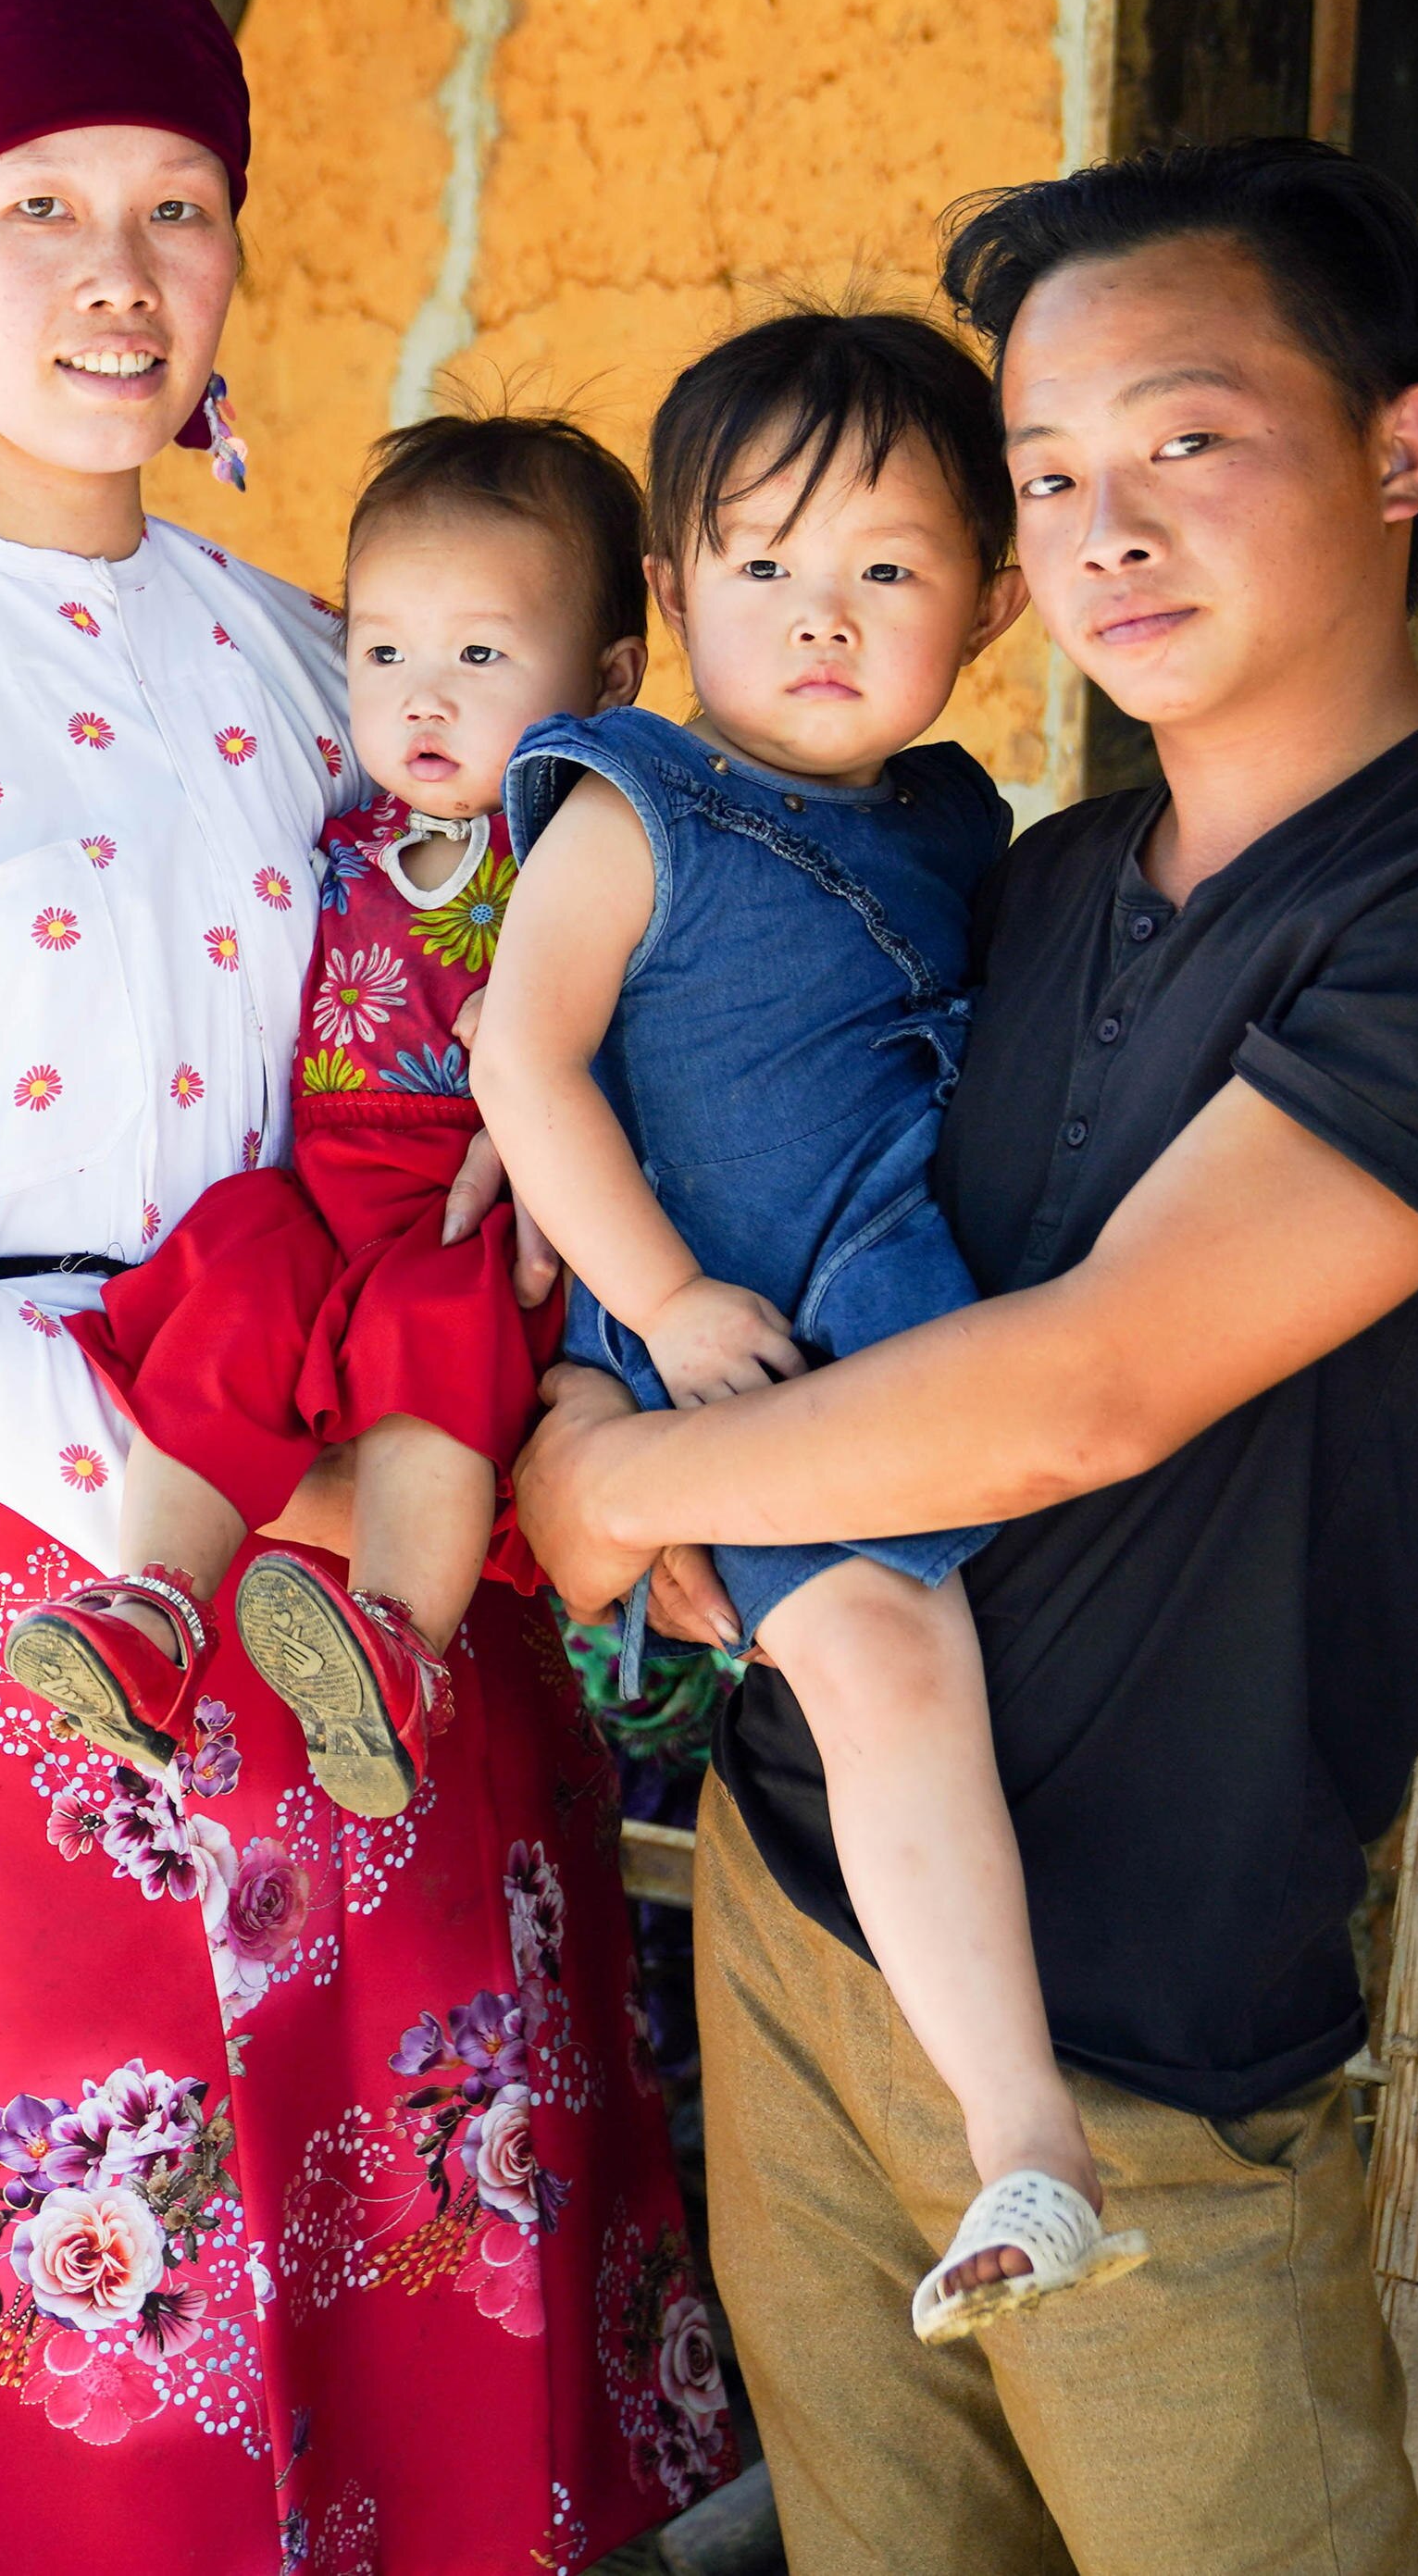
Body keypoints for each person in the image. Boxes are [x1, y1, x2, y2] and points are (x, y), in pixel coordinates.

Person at [0, 0, 738, 2576]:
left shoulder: (308, 662)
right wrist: (152, 1470)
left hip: (380, 1553)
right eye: (42, 207)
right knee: (82, 2332)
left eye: (179, 204)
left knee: (419, 2280)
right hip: (39, 1575)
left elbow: (503, 1060)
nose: (121, 270)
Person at [510, 136, 1418, 2574]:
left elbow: (1084, 1390)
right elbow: (794, 1254)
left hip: (1138, 2048)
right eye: (1049, 476)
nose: (1103, 527)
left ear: (1397, 447)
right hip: (802, 1897)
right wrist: (662, 1455)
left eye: (1183, 440)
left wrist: (621, 1494)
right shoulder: (1020, 880)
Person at [470, 305, 1145, 2344]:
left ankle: (1018, 2114)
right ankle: (1026, 2122)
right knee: (880, 1654)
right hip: (726, 1323)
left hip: (892, 1295)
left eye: (885, 568)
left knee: (931, 1659)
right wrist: (659, 1303)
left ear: (995, 599)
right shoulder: (636, 805)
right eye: (758, 566)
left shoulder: (962, 824)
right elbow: (527, 1057)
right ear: (668, 595)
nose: (818, 617)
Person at [0, 412, 636, 1824]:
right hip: (322, 1191)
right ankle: (152, 1614)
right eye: (386, 651)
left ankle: (395, 1649)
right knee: (233, 1274)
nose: (422, 698)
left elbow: (644, 1034)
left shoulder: (593, 844)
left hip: (462, 1212)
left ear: (609, 680)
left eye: (480, 657)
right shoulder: (344, 823)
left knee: (436, 1332)